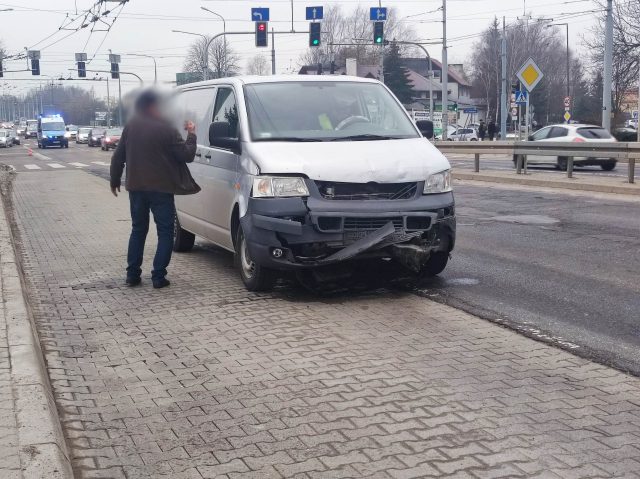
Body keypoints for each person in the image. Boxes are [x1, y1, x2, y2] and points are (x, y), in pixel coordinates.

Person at [110, 90, 199, 289]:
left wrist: (115, 180)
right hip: (161, 190)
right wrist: (192, 134)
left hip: (137, 189)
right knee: (165, 232)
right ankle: (158, 276)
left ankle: (132, 275)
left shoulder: (131, 126)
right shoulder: (166, 128)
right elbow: (186, 155)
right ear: (153, 106)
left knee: (138, 230)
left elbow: (118, 157)